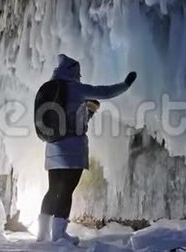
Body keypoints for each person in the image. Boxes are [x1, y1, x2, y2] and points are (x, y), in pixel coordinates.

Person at [36, 54, 137, 244]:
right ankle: (58, 235)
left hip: (52, 147)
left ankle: (42, 235)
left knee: (52, 190)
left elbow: (69, 117)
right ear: (73, 71)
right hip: (72, 149)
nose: (80, 76)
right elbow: (104, 92)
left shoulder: (49, 87)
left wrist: (88, 112)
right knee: (66, 190)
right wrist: (125, 85)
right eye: (78, 73)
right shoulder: (75, 88)